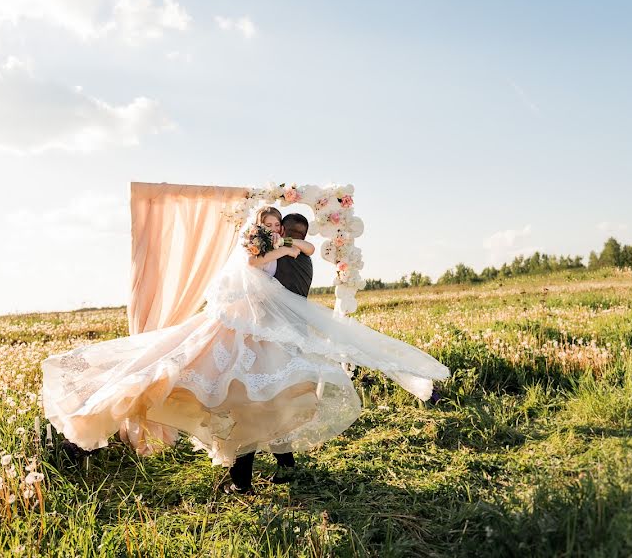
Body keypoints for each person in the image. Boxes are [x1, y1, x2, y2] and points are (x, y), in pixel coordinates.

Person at [41, 205, 450, 495]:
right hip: (241, 329)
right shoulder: (256, 245)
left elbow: (297, 255)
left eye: (277, 223)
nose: (273, 227)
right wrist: (278, 248)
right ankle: (241, 475)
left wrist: (290, 246)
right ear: (260, 225)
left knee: (266, 398)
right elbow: (254, 268)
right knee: (209, 386)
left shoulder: (289, 247)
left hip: (263, 332)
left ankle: (262, 470)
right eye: (268, 222)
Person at [227, 210, 314, 490]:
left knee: (254, 403)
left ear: (287, 234)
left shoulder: (288, 254)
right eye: (270, 227)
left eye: (279, 228)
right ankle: (285, 464)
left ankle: (242, 482)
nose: (276, 232)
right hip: (284, 338)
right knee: (276, 401)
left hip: (267, 336)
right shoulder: (298, 258)